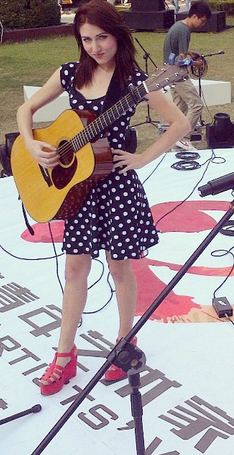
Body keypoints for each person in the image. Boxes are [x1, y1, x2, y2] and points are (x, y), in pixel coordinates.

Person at [16, 0, 190, 396]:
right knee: (75, 268)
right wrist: (30, 144)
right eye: (87, 39)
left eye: (103, 38)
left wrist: (143, 157)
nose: (95, 47)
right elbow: (26, 109)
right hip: (78, 188)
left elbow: (180, 122)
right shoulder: (70, 74)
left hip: (116, 185)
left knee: (119, 267)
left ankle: (125, 339)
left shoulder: (134, 82)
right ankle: (64, 353)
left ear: (118, 35)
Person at [163, 0, 211, 151]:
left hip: (169, 75)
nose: (203, 24)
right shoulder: (184, 30)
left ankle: (174, 145)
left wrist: (190, 53)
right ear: (195, 16)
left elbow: (177, 51)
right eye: (202, 21)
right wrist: (194, 63)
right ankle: (183, 138)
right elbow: (180, 60)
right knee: (196, 105)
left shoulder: (178, 26)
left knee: (179, 111)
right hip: (178, 75)